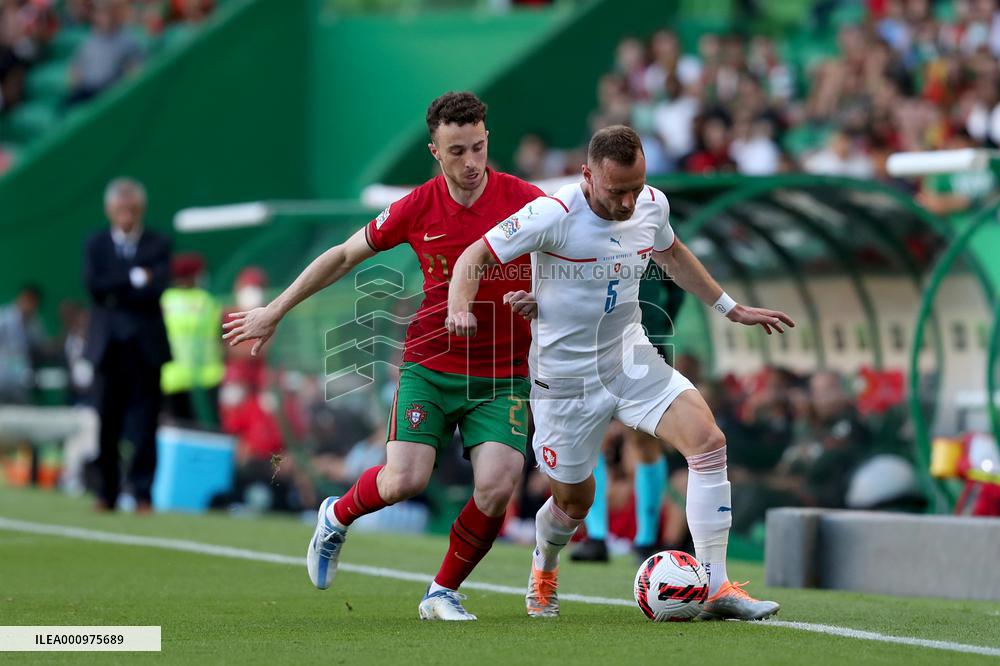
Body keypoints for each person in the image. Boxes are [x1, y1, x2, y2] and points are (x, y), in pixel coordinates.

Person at [448, 125, 793, 620]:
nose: (630, 203)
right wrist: (460, 307)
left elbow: (671, 252)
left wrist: (729, 308)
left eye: (636, 188)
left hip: (628, 357)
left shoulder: (652, 203)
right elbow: (474, 256)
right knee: (573, 502)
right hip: (564, 380)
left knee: (708, 440)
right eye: (617, 191)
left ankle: (717, 588)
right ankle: (544, 565)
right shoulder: (553, 212)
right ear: (588, 176)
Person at [223, 91, 543, 621]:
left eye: (479, 148)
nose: (471, 163)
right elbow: (345, 255)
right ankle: (336, 515)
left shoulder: (526, 201)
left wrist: (545, 300)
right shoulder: (417, 206)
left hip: (502, 374)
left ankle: (441, 591)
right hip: (430, 366)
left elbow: (570, 254)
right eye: (457, 150)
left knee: (497, 485)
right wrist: (276, 308)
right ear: (434, 152)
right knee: (405, 481)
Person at [83, 177, 171, 512]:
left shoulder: (158, 242)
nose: (126, 214)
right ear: (109, 210)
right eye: (120, 208)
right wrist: (135, 277)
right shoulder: (95, 244)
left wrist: (120, 285)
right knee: (107, 420)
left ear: (141, 209)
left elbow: (157, 285)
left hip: (146, 345)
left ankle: (143, 492)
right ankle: (107, 491)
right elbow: (94, 285)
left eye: (131, 208)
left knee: (147, 421)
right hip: (107, 347)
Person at [160, 252, 224, 425]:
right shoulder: (208, 301)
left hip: (173, 378)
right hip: (206, 377)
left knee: (179, 432)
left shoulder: (164, 301)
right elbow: (220, 337)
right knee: (208, 430)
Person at [0, 284, 45, 404]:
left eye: (34, 302)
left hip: (22, 381)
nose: (30, 305)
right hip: (2, 379)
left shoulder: (35, 323)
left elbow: (40, 348)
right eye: (28, 299)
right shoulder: (4, 318)